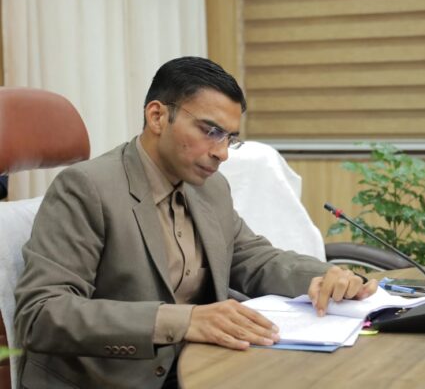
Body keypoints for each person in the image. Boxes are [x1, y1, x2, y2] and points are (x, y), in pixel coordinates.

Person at [14, 56, 378, 389]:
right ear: (157, 117)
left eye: (230, 138)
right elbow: (41, 313)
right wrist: (183, 320)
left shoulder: (211, 188)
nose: (222, 152)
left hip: (204, 366)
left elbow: (254, 259)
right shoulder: (86, 188)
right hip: (108, 379)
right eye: (210, 131)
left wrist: (325, 277)